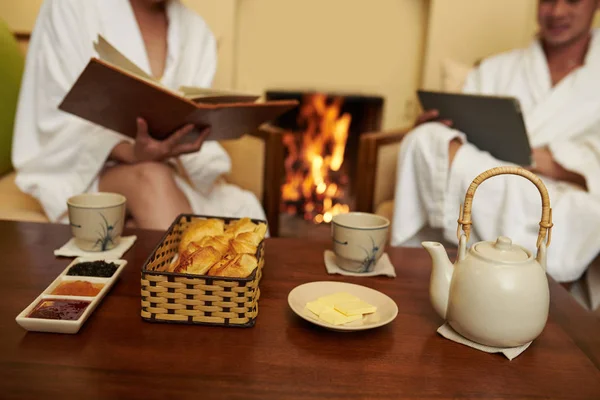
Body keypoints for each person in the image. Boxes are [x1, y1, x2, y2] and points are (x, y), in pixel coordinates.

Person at [391, 0, 600, 284]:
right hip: (486, 177)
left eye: (573, 0)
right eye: (548, 0)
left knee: (585, 215)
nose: (557, 12)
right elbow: (459, 139)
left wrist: (553, 163)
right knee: (425, 139)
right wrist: (439, 130)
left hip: (563, 198)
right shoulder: (496, 69)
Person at [12, 0, 266, 230]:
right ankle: (197, 275)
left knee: (242, 208)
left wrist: (185, 137)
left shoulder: (196, 32)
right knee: (151, 179)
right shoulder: (70, 7)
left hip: (170, 168)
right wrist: (130, 151)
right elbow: (50, 115)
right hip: (82, 170)